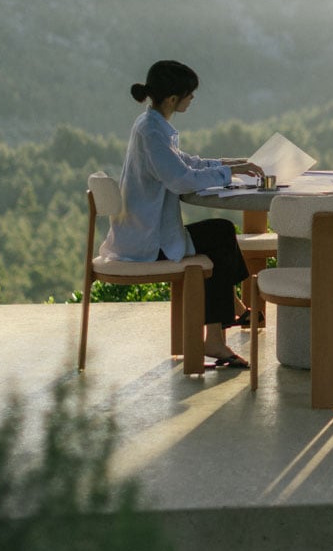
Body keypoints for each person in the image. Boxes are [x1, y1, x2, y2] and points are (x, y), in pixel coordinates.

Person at [100, 59, 263, 369]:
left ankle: (232, 311)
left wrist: (229, 164)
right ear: (173, 99)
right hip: (148, 242)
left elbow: (186, 163)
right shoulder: (151, 133)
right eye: (190, 94)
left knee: (220, 233)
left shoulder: (151, 125)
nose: (193, 99)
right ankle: (218, 335)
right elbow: (180, 179)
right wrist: (230, 172)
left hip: (146, 232)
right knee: (218, 239)